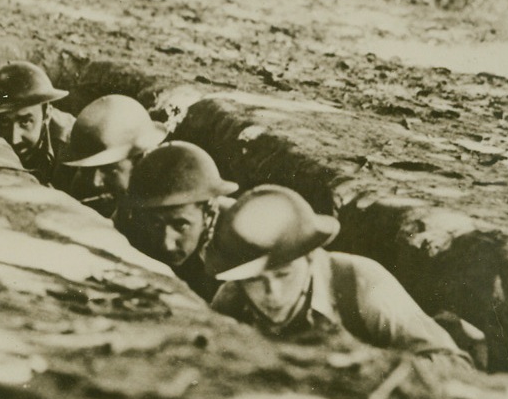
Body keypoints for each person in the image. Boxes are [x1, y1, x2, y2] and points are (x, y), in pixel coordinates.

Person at [205, 185, 469, 360]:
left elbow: (451, 363)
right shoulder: (231, 300)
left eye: (284, 275)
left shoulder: (361, 284)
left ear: (309, 258)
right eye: (254, 280)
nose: (271, 293)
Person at [117, 142, 237, 301]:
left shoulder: (239, 236)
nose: (167, 244)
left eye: (181, 225)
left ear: (208, 216)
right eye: (155, 224)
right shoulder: (127, 226)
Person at [59, 94, 165, 218]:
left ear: (140, 160)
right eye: (86, 170)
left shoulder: (162, 201)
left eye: (108, 170)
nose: (95, 182)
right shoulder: (81, 186)